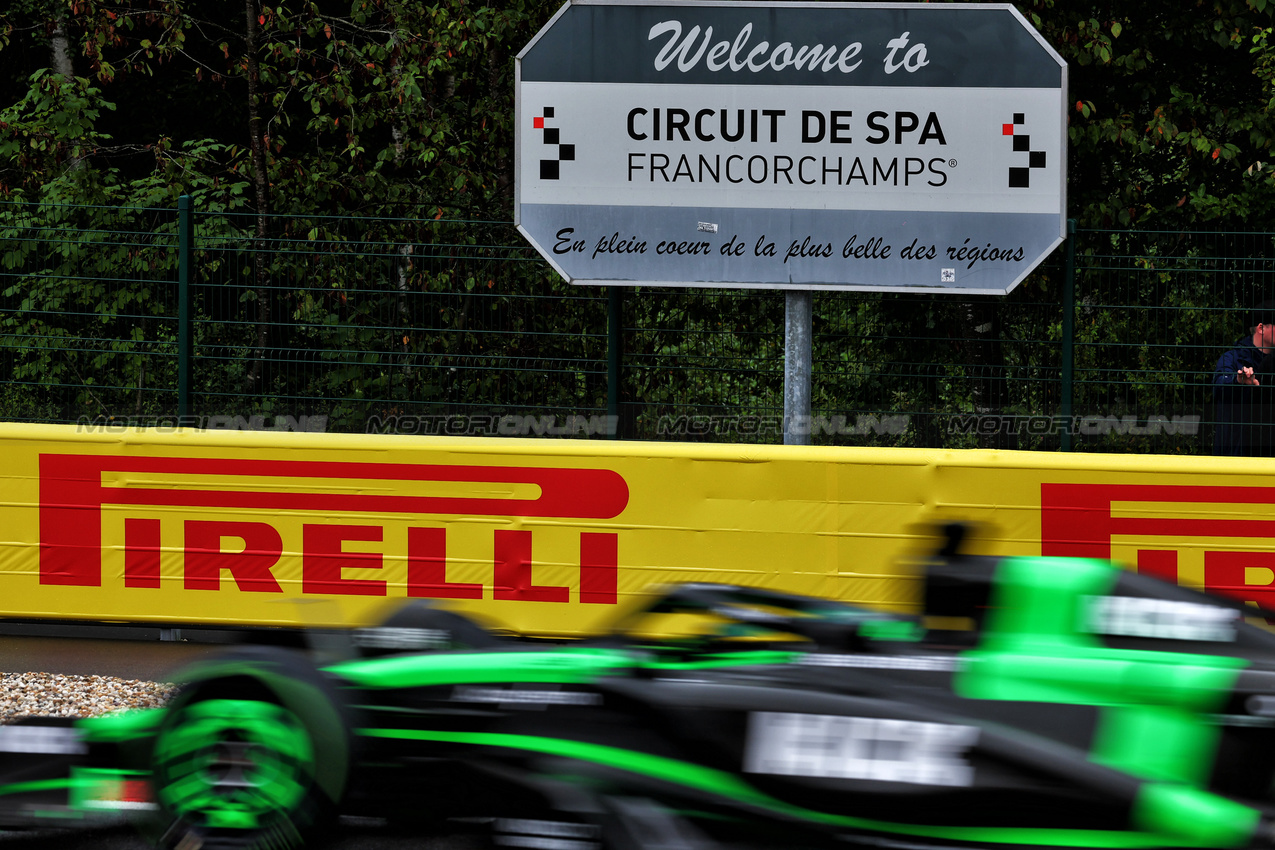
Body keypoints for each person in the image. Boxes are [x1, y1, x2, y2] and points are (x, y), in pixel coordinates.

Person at [1212, 301, 1275, 455]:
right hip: (1237, 454)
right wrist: (1238, 381)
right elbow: (1219, 386)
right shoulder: (1232, 359)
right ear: (1261, 328)